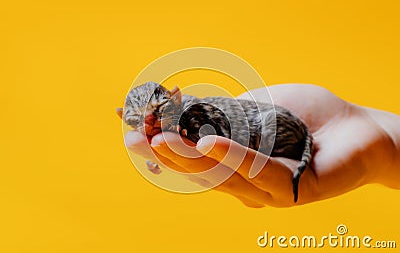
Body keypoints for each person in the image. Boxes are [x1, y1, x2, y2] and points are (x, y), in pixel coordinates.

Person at [124, 84, 400, 208]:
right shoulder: (164, 127)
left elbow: (211, 134)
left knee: (264, 136)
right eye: (141, 122)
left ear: (176, 99)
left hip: (268, 126)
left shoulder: (194, 113)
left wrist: (385, 141)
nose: (151, 125)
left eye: (159, 114)